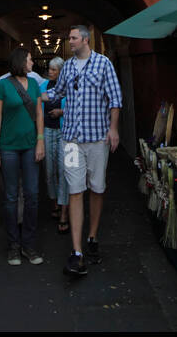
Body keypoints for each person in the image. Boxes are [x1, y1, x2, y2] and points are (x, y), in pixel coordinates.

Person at [44, 24, 122, 278]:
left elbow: (115, 99)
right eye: (70, 38)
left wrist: (114, 129)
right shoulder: (66, 67)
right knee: (75, 190)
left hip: (97, 139)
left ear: (86, 40)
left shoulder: (103, 64)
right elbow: (59, 92)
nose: (71, 41)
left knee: (97, 188)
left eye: (74, 38)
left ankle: (93, 236)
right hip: (71, 140)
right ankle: (77, 252)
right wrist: (37, 95)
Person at [0, 47, 45, 266]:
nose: (33, 63)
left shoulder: (34, 84)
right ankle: (14, 245)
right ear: (21, 62)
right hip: (8, 147)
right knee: (11, 197)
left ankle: (29, 244)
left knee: (32, 195)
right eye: (30, 60)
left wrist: (41, 139)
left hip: (31, 145)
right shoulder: (2, 85)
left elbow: (39, 113)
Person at [40, 57, 70, 234]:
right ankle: (54, 202)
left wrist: (62, 111)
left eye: (53, 70)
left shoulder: (68, 87)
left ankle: (64, 211)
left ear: (61, 71)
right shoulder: (44, 86)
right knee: (49, 170)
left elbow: (78, 106)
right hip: (47, 130)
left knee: (63, 170)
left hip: (63, 131)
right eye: (49, 69)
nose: (50, 72)